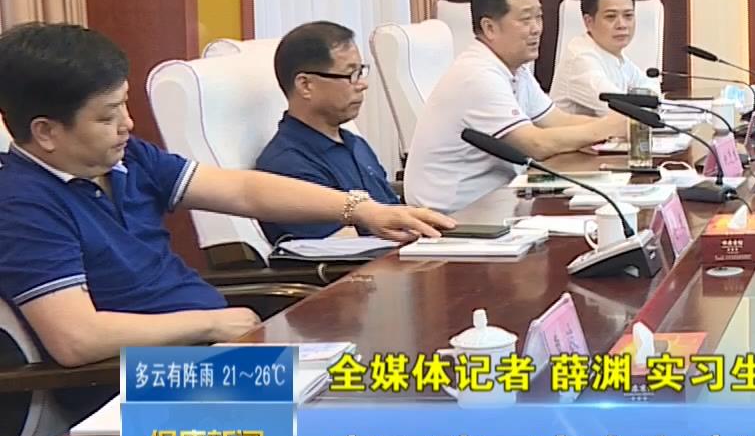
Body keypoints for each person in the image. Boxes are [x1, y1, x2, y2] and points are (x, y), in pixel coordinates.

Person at [0, 23, 451, 367]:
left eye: (124, 106)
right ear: (46, 132)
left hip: (214, 348)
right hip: (149, 379)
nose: (128, 124)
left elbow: (242, 190)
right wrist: (212, 322)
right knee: (369, 400)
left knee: (402, 370)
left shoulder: (126, 157)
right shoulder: (23, 205)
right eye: (107, 117)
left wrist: (362, 210)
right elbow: (76, 338)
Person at [404, 0, 628, 213]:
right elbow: (535, 144)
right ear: (490, 28)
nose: (537, 29)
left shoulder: (515, 69)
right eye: (525, 19)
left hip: (500, 200)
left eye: (539, 17)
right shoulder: (477, 75)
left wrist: (618, 127)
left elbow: (556, 121)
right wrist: (607, 128)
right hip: (456, 216)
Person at [254, 21, 404, 242]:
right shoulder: (287, 167)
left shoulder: (353, 143)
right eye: (350, 74)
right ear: (306, 85)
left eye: (361, 72)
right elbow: (343, 247)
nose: (362, 84)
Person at [550, 0, 655, 117]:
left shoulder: (613, 54)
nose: (622, 25)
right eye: (611, 17)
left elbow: (651, 88)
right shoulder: (580, 59)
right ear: (589, 22)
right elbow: (621, 110)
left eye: (628, 16)